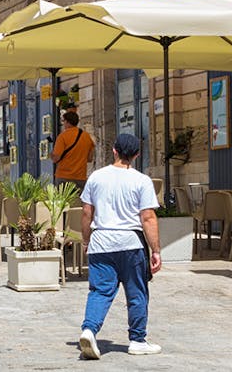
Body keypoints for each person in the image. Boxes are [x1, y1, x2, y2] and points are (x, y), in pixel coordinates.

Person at [78, 133, 162, 360]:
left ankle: (89, 330)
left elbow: (87, 213)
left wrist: (86, 240)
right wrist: (155, 250)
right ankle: (137, 340)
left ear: (114, 151)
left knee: (100, 291)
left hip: (101, 242)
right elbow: (148, 217)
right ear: (136, 155)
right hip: (130, 244)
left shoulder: (96, 177)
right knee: (136, 292)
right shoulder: (141, 180)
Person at [52, 109, 96, 191]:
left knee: (63, 203)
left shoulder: (62, 137)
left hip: (64, 177)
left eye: (63, 121)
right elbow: (90, 159)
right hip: (80, 177)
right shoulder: (86, 137)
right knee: (79, 202)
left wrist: (51, 155)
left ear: (67, 122)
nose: (63, 123)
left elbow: (56, 158)